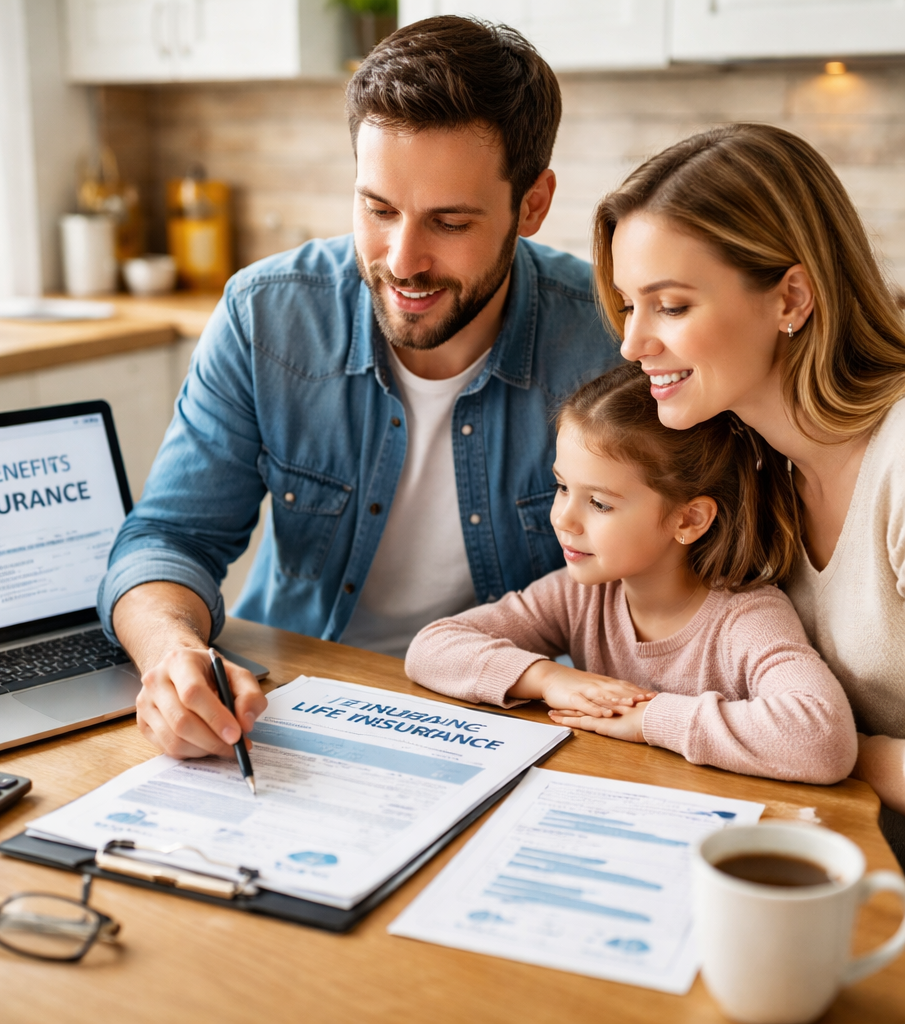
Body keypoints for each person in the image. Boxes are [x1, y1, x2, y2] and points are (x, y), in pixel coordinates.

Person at [97, 17, 620, 760]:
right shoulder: (266, 316)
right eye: (378, 210)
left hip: (517, 716)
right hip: (290, 703)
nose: (403, 261)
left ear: (532, 205)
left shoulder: (609, 340)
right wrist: (172, 654)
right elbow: (168, 540)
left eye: (449, 222)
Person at [592, 123, 905, 855]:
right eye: (628, 305)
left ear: (791, 296)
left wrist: (828, 747)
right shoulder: (753, 461)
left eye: (671, 306)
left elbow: (809, 739)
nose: (632, 344)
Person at [405, 363, 857, 783]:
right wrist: (549, 679)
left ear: (688, 520)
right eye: (562, 487)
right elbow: (431, 647)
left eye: (599, 503)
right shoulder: (582, 596)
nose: (563, 519)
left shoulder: (746, 618)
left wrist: (649, 719)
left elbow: (824, 739)